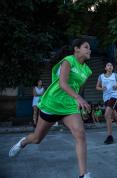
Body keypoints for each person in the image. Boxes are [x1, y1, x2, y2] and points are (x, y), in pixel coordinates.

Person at [9, 39, 93, 178]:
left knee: (80, 133)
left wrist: (79, 101)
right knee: (37, 139)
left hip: (69, 106)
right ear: (76, 49)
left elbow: (78, 88)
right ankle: (22, 143)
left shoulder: (87, 70)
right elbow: (62, 84)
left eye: (90, 48)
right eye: (86, 47)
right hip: (52, 104)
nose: (89, 50)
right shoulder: (68, 60)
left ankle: (84, 175)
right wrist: (78, 98)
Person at [96, 62, 117, 144]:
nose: (110, 66)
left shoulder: (116, 75)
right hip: (106, 98)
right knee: (114, 117)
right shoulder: (101, 76)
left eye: (111, 65)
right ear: (105, 68)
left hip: (114, 96)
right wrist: (101, 88)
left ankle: (110, 136)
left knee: (107, 115)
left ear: (112, 68)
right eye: (108, 65)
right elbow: (97, 87)